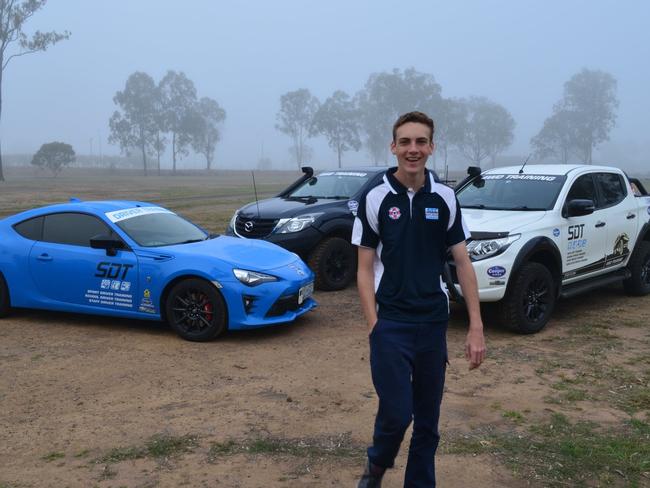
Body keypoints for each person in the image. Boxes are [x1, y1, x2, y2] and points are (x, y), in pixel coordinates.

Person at [352, 111, 486, 487]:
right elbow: (363, 269)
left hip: (431, 323)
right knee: (397, 413)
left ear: (432, 147)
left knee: (428, 423)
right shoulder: (375, 198)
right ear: (393, 147)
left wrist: (476, 326)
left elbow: (462, 262)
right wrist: (374, 325)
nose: (414, 149)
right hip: (391, 323)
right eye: (406, 142)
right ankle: (375, 468)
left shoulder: (444, 198)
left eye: (421, 142)